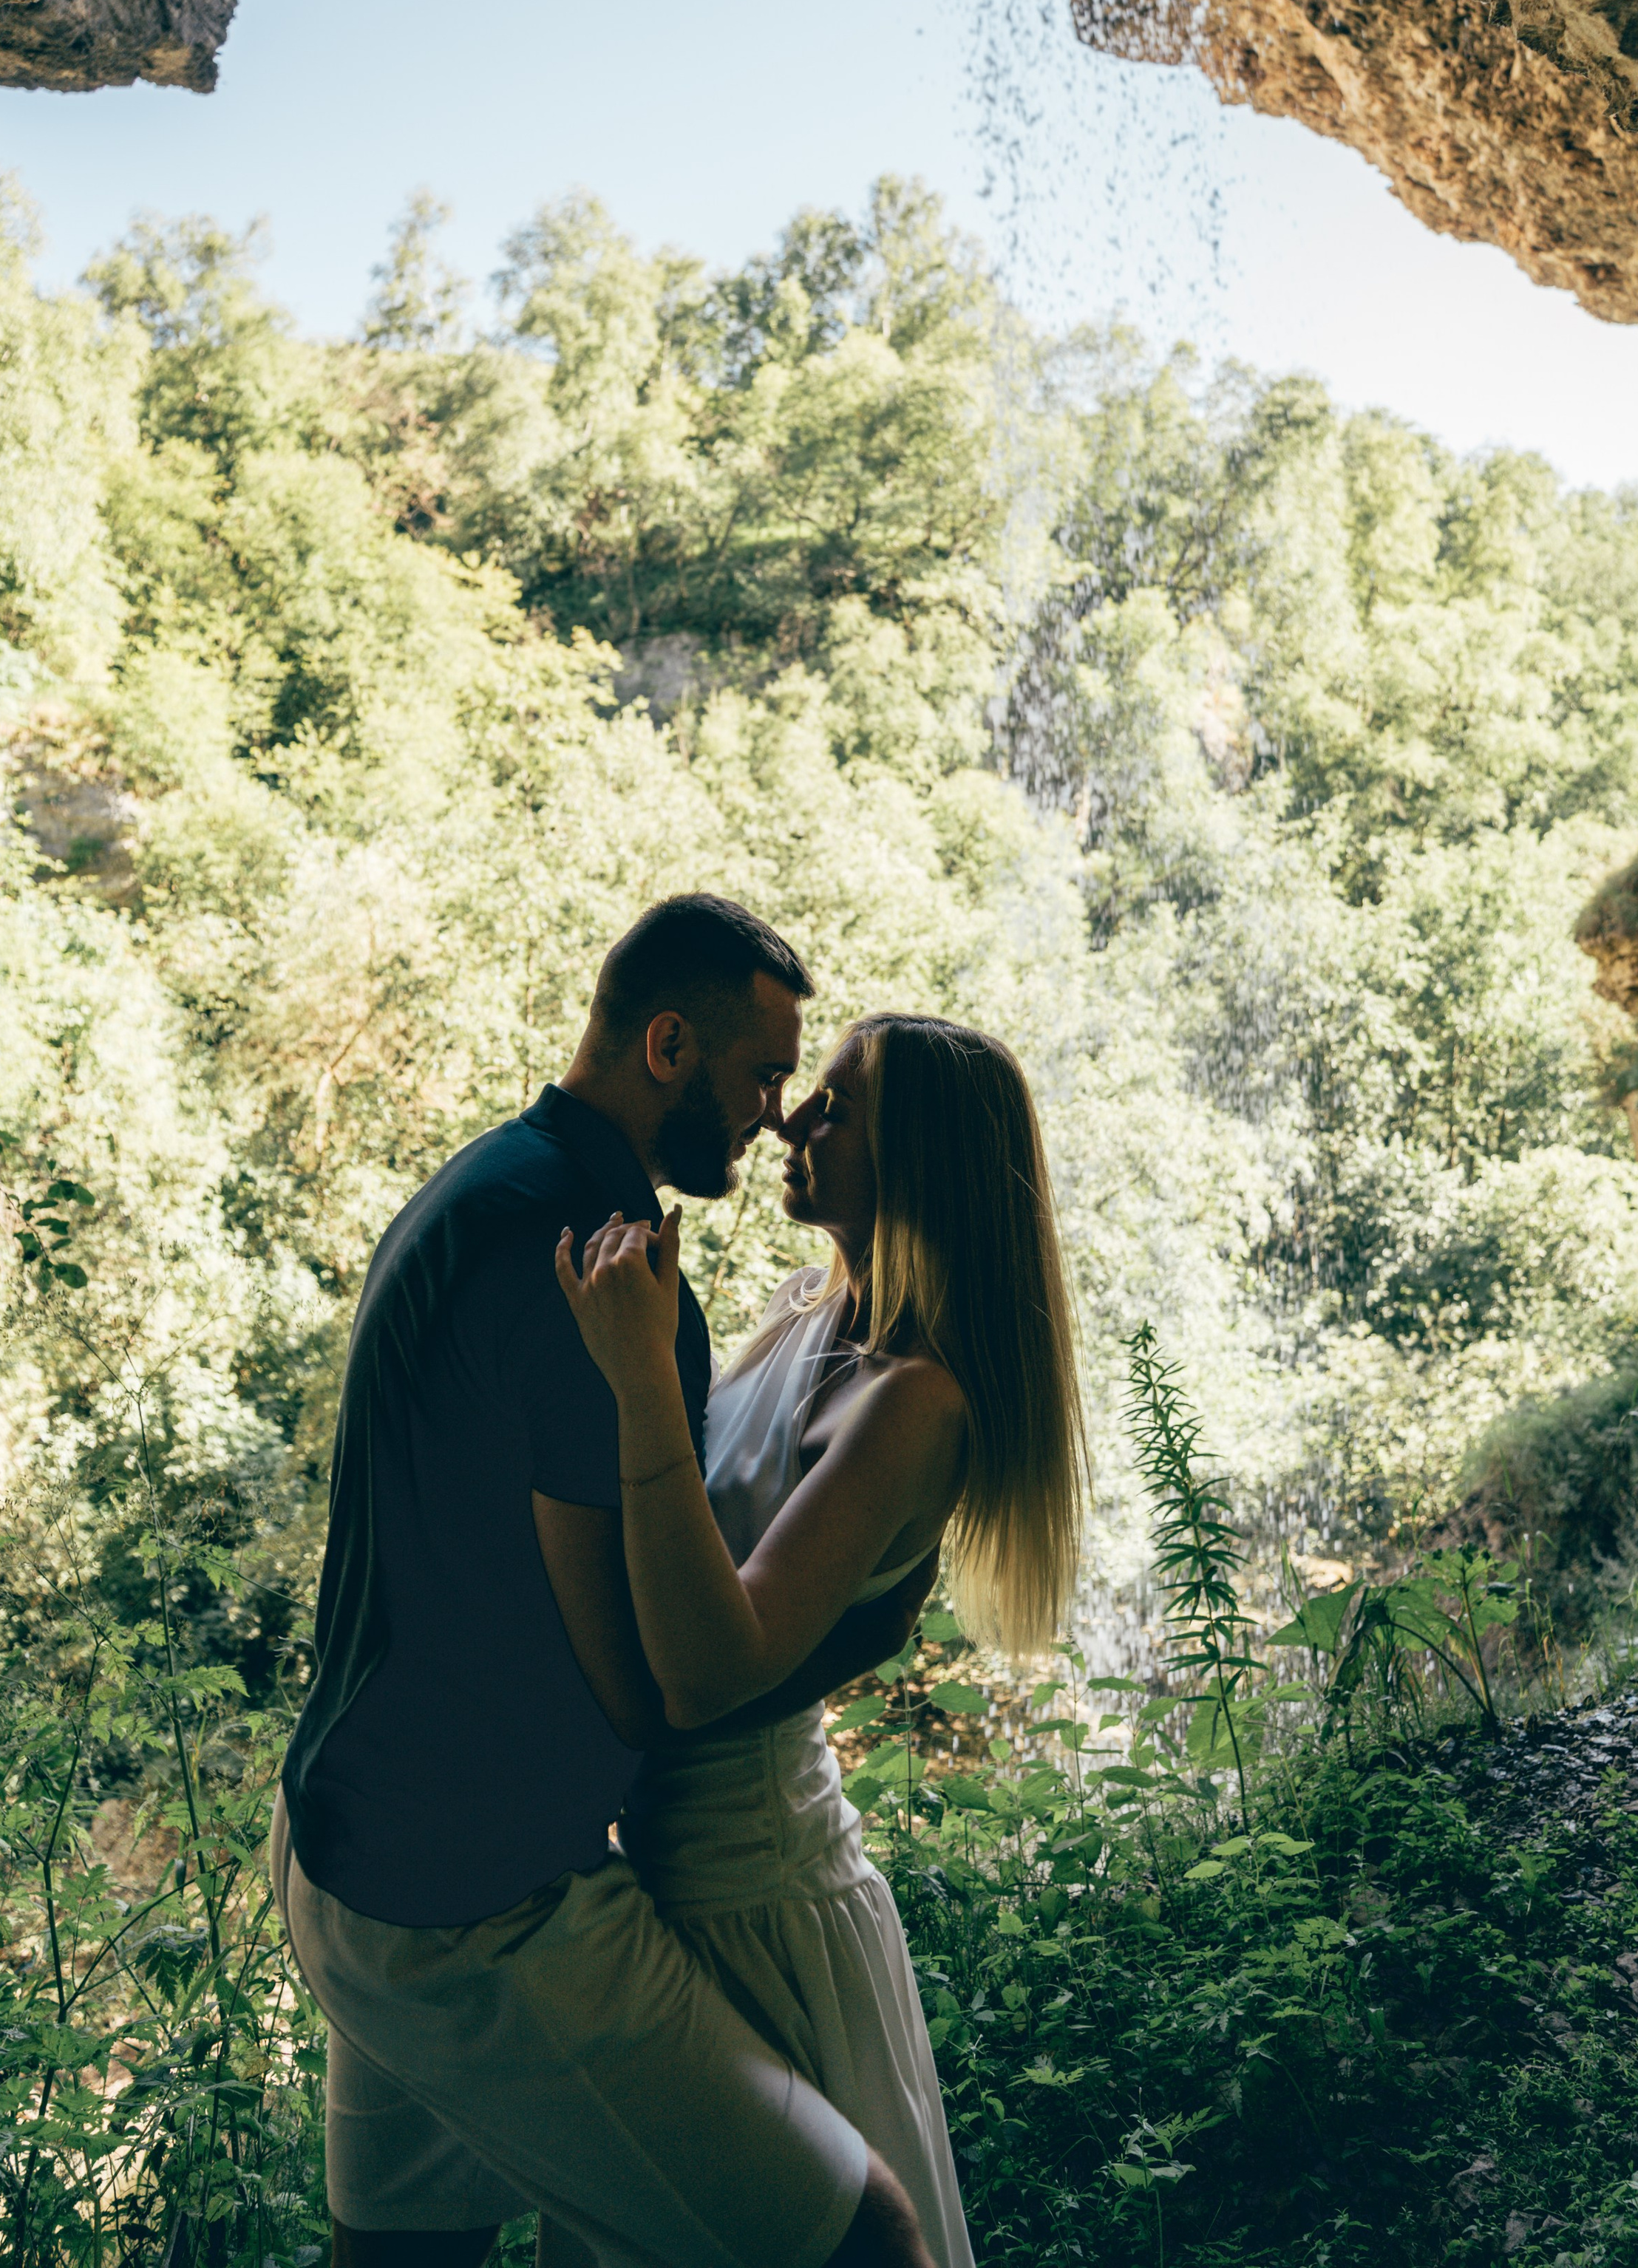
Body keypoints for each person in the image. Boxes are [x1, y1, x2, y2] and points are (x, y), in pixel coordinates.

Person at [271, 894, 938, 2268]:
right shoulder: (605, 1272)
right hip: (479, 1904)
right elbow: (637, 1681)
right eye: (762, 1078)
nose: (772, 1116)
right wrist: (823, 1638)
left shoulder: (485, 1183)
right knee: (867, 2235)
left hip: (342, 1842)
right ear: (668, 1046)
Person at [554, 1011, 1089, 2268]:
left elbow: (709, 1666)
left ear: (928, 1165)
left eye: (839, 1108)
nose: (793, 1120)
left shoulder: (915, 1403)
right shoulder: (809, 1309)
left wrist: (640, 1380)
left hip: (751, 1897)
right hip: (653, 1867)